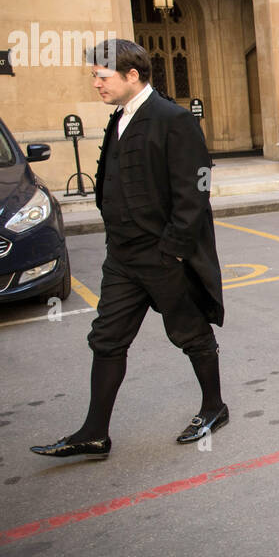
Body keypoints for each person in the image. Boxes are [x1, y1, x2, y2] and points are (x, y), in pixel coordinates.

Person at [31, 39, 228, 457]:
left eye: (101, 77)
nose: (95, 84)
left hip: (161, 255)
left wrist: (172, 251)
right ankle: (94, 433)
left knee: (190, 333)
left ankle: (214, 407)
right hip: (122, 256)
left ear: (131, 75)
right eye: (95, 76)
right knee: (106, 339)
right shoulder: (119, 117)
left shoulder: (173, 119)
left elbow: (196, 190)